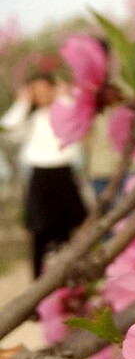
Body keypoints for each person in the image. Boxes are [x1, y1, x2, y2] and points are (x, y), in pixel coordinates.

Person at [0, 71, 88, 277]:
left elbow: (77, 117)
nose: (41, 95)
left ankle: (68, 279)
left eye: (45, 89)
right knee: (40, 232)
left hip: (63, 174)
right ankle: (39, 280)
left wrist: (64, 96)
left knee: (66, 232)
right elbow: (6, 129)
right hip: (40, 177)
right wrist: (22, 103)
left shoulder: (65, 109)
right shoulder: (30, 118)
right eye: (36, 91)